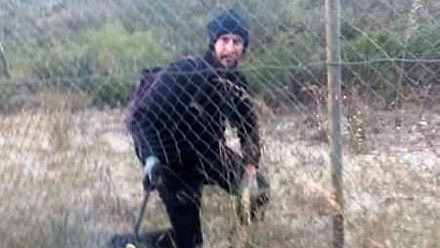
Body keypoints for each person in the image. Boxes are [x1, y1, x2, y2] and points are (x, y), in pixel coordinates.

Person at [128, 9, 269, 248]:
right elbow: (142, 116)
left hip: (210, 153)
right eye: (224, 40)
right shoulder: (186, 71)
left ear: (244, 48)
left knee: (258, 191)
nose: (230, 48)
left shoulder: (236, 82)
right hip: (172, 161)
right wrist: (150, 158)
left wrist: (251, 165)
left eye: (237, 42)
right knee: (190, 242)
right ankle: (133, 244)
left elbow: (247, 126)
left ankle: (241, 240)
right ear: (213, 43)